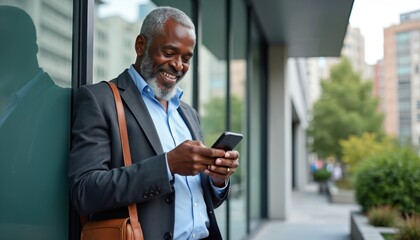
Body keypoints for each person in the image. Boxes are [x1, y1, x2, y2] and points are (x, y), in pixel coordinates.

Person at [68, 6, 240, 240]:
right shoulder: (100, 100)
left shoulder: (188, 113)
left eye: (186, 58)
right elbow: (85, 191)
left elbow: (199, 200)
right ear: (141, 45)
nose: (178, 65)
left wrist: (218, 180)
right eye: (169, 52)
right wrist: (167, 165)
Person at [0, 5, 70, 239]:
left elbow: (40, 201)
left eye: (7, 41)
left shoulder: (60, 102)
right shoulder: (9, 105)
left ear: (32, 48)